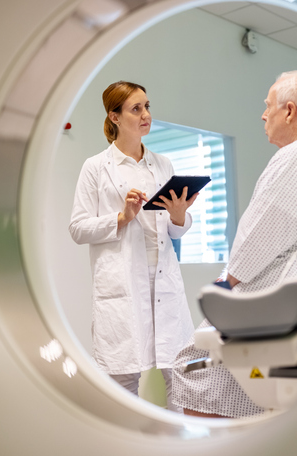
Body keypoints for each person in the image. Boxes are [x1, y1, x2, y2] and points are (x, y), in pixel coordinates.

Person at [172, 71, 297, 418]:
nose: (263, 115)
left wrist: (226, 282)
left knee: (193, 364)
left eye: (267, 106)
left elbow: (264, 230)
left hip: (282, 296)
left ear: (289, 111)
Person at [69, 81, 198, 412]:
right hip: (123, 286)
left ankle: (179, 452)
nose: (146, 115)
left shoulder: (163, 165)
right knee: (124, 382)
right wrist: (122, 217)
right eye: (136, 109)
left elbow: (175, 232)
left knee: (180, 375)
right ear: (114, 117)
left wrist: (180, 216)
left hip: (164, 282)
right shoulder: (96, 168)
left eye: (147, 106)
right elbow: (78, 228)